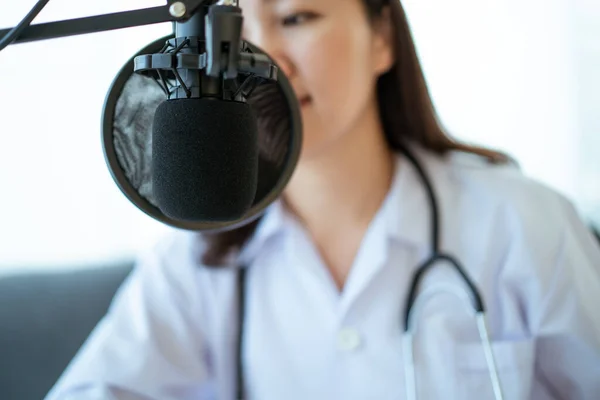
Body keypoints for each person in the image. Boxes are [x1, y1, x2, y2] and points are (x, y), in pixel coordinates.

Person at [46, 0, 600, 399]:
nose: (268, 62)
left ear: (382, 37)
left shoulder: (524, 226)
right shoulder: (195, 262)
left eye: (296, 18)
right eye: (236, 36)